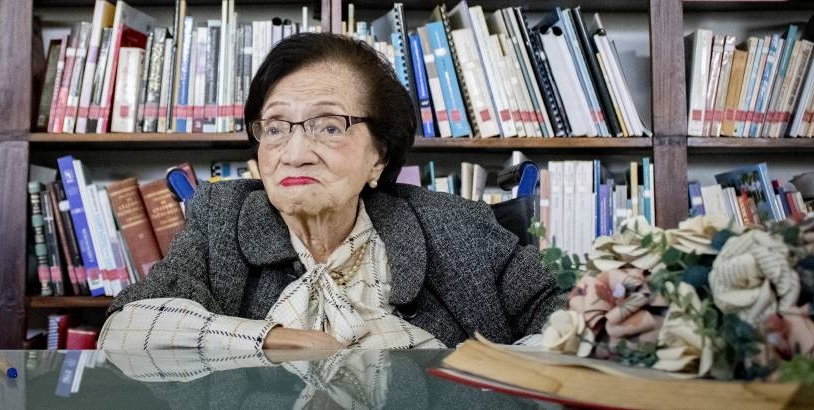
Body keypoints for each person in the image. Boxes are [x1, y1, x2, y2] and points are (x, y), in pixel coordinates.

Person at [98, 33, 562, 354]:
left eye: (329, 126)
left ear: (379, 157)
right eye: (276, 127)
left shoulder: (455, 226)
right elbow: (126, 328)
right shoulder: (221, 218)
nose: (294, 152)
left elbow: (565, 321)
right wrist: (275, 341)